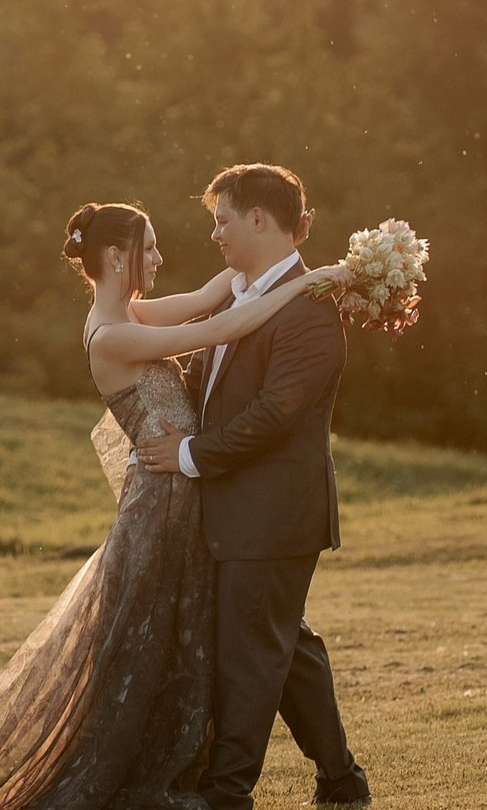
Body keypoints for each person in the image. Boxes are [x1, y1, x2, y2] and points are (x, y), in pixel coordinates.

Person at [0, 200, 350, 810]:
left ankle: (273, 771)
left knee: (218, 632)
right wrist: (308, 284)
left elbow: (210, 294)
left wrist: (303, 254)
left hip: (192, 494)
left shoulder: (130, 312)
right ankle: (176, 774)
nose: (159, 257)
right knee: (152, 640)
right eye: (148, 247)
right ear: (117, 256)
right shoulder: (114, 333)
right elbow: (218, 327)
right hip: (164, 504)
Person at [138, 165, 372, 808]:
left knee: (250, 652)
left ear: (259, 219)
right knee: (280, 643)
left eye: (222, 220)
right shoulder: (238, 294)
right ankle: (342, 778)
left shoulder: (312, 310)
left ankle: (227, 791)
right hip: (234, 510)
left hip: (274, 512)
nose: (214, 235)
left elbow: (276, 415)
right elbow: (212, 390)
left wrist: (188, 455)